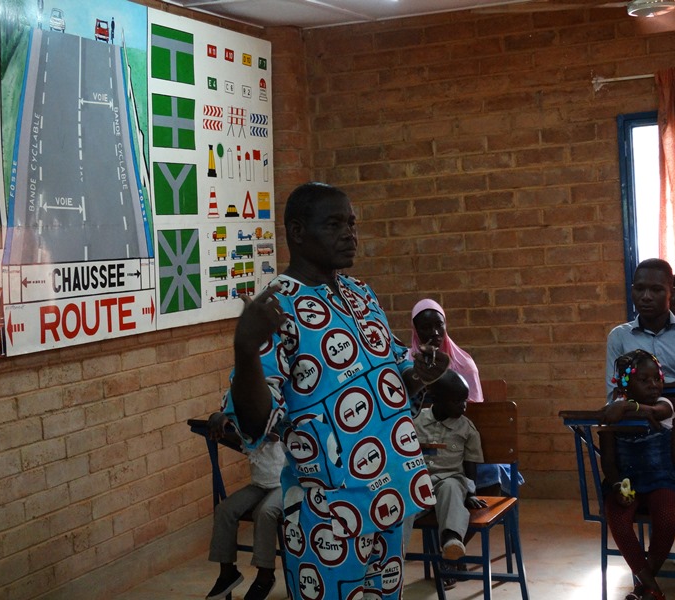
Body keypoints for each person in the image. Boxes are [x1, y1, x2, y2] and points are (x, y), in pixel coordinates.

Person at [222, 182, 445, 599]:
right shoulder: (277, 309)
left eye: (352, 224)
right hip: (327, 515)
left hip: (390, 497)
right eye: (334, 224)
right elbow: (253, 424)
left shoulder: (361, 295)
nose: (349, 234)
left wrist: (420, 374)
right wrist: (245, 351)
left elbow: (395, 380)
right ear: (297, 231)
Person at [410, 299, 523, 497]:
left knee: (490, 470)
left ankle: (475, 513)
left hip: (459, 442)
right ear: (415, 331)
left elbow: (474, 412)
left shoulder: (463, 364)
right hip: (423, 443)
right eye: (426, 328)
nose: (434, 333)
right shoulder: (408, 366)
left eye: (439, 325)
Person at [599, 349, 675, 600]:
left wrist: (627, 406)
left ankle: (643, 587)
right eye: (644, 380)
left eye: (657, 378)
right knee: (617, 517)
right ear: (625, 385)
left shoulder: (665, 404)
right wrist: (617, 485)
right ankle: (651, 589)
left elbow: (657, 412)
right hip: (626, 481)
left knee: (668, 515)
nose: (653, 385)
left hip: (662, 480)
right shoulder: (610, 412)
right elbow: (608, 461)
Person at [402, 370, 487, 589]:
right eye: (457, 401)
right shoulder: (416, 421)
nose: (463, 406)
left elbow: (470, 464)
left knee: (451, 489)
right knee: (404, 502)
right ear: (436, 399)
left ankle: (451, 540)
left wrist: (471, 492)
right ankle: (396, 554)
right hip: (420, 483)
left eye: (464, 401)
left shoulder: (466, 428)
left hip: (450, 480)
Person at [205, 412, 284, 600]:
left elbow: (273, 433)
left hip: (284, 484)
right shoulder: (245, 409)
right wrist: (222, 417)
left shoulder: (279, 409)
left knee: (264, 512)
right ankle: (227, 573)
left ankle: (265, 576)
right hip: (259, 484)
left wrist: (244, 425)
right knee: (224, 510)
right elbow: (234, 413)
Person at [606, 258, 675, 403]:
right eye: (639, 289)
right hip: (637, 415)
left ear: (672, 293)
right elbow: (616, 395)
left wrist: (640, 388)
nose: (646, 297)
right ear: (632, 291)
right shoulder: (619, 337)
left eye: (656, 290)